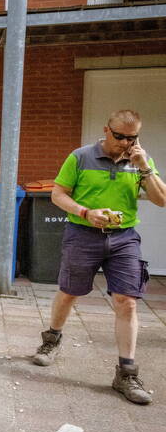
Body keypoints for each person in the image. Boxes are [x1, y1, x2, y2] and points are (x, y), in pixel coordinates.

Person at [33, 109, 165, 404]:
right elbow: (58, 194)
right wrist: (85, 212)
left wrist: (144, 167)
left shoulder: (140, 160)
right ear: (107, 130)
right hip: (83, 235)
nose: (125, 143)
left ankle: (126, 373)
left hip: (124, 238)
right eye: (119, 136)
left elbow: (161, 199)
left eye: (132, 138)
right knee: (69, 293)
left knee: (127, 301)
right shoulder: (80, 157)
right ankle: (51, 340)